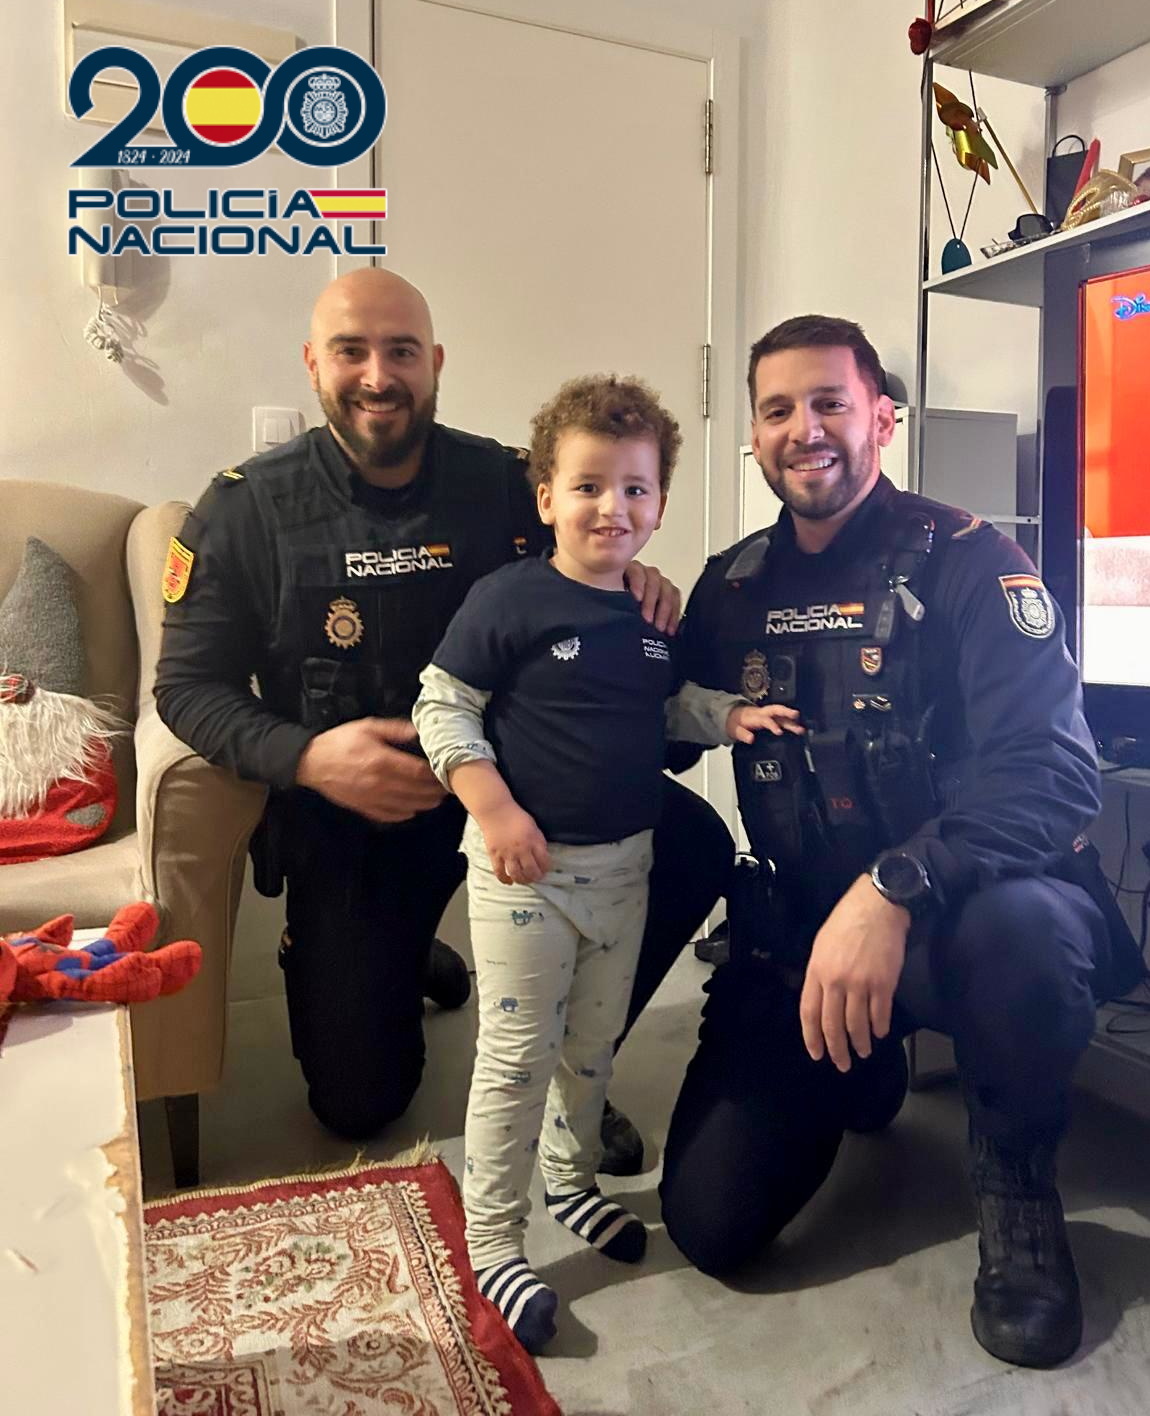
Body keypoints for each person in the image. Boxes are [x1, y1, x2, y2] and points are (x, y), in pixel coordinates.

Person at [153, 268, 733, 1163]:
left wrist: (631, 582)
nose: (377, 375)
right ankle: (400, 955)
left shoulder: (506, 483)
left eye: (402, 352)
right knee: (359, 1104)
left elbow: (601, 533)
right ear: (312, 363)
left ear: (436, 363)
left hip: (524, 798)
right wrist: (307, 758)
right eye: (351, 350)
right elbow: (187, 688)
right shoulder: (244, 510)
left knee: (690, 842)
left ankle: (575, 1070)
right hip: (361, 818)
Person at [658, 314, 1146, 1369]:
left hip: (957, 920)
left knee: (1027, 933)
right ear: (754, 436)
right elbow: (655, 722)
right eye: (777, 410)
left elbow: (1055, 773)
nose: (804, 429)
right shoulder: (730, 588)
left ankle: (1016, 1190)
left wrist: (893, 886)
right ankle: (858, 1063)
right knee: (710, 1223)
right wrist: (606, 603)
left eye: (829, 402)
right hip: (803, 936)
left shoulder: (970, 563)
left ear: (881, 417)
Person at [412, 374, 799, 1353]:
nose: (611, 508)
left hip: (623, 873)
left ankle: (569, 1178)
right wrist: (494, 808)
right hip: (525, 877)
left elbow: (664, 711)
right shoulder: (509, 599)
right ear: (546, 497)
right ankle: (492, 1239)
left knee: (589, 1049)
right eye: (587, 486)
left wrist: (729, 715)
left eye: (634, 489)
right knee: (515, 1059)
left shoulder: (651, 618)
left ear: (660, 502)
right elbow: (442, 705)